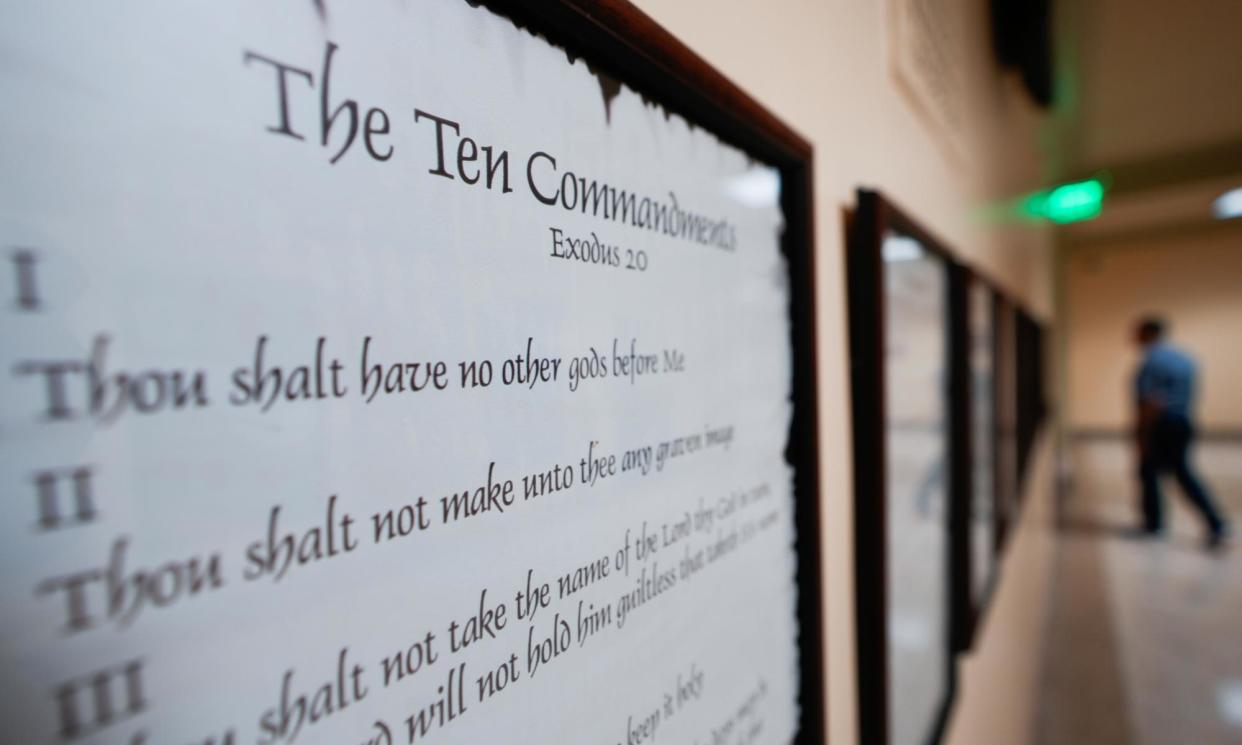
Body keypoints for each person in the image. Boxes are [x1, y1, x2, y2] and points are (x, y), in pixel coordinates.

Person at [1132, 316, 1229, 549]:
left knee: (1164, 471)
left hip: (1161, 424)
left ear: (1148, 333)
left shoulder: (1152, 360)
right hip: (1182, 421)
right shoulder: (1184, 358)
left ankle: (1159, 524)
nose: (1134, 338)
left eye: (1137, 333)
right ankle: (1159, 522)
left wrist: (1143, 435)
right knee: (1169, 471)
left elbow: (1151, 401)